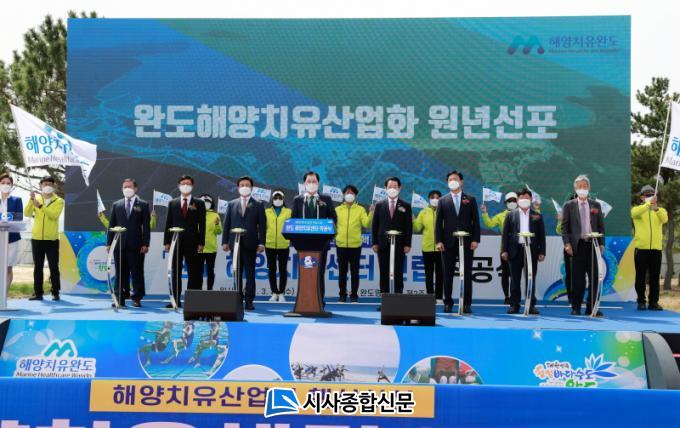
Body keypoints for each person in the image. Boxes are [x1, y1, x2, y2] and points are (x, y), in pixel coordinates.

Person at [435, 171, 480, 314]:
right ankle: (448, 302)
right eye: (450, 179)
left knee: (466, 273)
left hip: (466, 242)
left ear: (461, 182)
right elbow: (438, 223)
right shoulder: (443, 200)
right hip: (447, 242)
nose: (452, 181)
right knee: (447, 273)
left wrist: (475, 239)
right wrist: (438, 241)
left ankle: (466, 303)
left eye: (455, 179)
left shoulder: (470, 199)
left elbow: (475, 221)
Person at [561, 175, 605, 316]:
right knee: (578, 279)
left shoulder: (596, 205)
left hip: (593, 245)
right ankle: (576, 307)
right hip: (577, 246)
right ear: (575, 188)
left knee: (594, 278)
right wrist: (567, 243)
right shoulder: (569, 205)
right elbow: (564, 227)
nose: (582, 189)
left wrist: (601, 243)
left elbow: (601, 226)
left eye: (585, 186)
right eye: (579, 186)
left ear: (589, 188)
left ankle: (591, 307)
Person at [291, 171, 337, 301]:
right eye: (309, 181)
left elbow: (333, 218)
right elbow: (293, 220)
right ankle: (304, 300)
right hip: (303, 245)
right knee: (305, 273)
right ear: (304, 183)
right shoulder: (298, 199)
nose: (311, 184)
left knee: (319, 273)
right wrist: (295, 241)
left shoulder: (326, 199)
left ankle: (319, 301)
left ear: (318, 183)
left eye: (314, 181)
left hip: (321, 244)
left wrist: (328, 235)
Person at [222, 176, 266, 311]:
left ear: (251, 188)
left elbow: (262, 226)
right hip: (234, 244)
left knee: (250, 273)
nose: (245, 187)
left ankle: (249, 300)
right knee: (237, 272)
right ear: (238, 188)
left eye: (247, 185)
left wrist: (262, 243)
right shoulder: (232, 204)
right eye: (242, 185)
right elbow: (227, 224)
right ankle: (238, 299)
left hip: (250, 243)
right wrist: (224, 241)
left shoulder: (258, 204)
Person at [106, 178, 151, 307]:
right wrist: (109, 243)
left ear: (135, 188)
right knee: (120, 272)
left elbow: (146, 226)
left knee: (136, 272)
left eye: (129, 186)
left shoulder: (143, 205)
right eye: (125, 187)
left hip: (136, 245)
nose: (127, 189)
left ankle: (137, 297)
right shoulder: (117, 205)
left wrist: (146, 243)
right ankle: (119, 297)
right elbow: (111, 225)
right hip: (119, 244)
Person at [163, 175, 206, 308]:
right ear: (178, 186)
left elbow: (202, 224)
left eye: (188, 183)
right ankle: (175, 300)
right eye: (183, 183)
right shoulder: (172, 203)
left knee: (194, 272)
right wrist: (166, 242)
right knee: (175, 271)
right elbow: (168, 223)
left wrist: (201, 242)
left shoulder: (199, 203)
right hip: (175, 242)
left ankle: (192, 301)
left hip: (193, 242)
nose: (185, 185)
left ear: (192, 186)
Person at [501, 188, 546, 314]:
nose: (524, 199)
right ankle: (514, 305)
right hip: (515, 251)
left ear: (531, 199)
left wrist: (542, 252)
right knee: (515, 280)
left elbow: (541, 235)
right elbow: (505, 234)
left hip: (531, 251)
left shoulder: (537, 215)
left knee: (530, 278)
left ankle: (530, 305)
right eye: (521, 197)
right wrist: (504, 251)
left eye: (526, 197)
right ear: (517, 200)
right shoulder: (511, 214)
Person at [372, 177, 412, 309]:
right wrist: (374, 242)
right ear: (385, 188)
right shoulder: (379, 205)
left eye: (395, 186)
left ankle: (398, 301)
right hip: (383, 244)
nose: (392, 189)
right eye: (390, 186)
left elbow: (408, 226)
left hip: (399, 245)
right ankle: (384, 301)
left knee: (398, 272)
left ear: (400, 188)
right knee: (384, 272)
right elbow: (375, 225)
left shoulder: (405, 206)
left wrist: (408, 244)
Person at [25, 176, 64, 301]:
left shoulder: (59, 201)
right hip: (37, 238)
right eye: (44, 184)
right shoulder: (36, 199)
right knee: (38, 267)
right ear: (40, 185)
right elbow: (26, 213)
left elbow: (54, 216)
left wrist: (41, 206)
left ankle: (55, 292)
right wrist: (31, 200)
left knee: (53, 266)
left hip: (51, 239)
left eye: (49, 184)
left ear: (54, 186)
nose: (47, 186)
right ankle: (38, 293)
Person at [631, 185, 668, 311]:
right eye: (647, 195)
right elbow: (634, 214)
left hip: (656, 249)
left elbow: (665, 219)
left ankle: (653, 302)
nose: (650, 197)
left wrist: (655, 208)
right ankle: (641, 301)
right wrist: (648, 205)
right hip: (641, 248)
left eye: (652, 195)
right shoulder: (637, 210)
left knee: (655, 277)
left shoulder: (660, 210)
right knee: (640, 276)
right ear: (642, 197)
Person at [335, 185, 373, 303]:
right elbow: (332, 225)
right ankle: (342, 295)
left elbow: (366, 224)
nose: (349, 195)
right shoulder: (337, 210)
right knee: (342, 272)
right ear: (343, 195)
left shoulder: (360, 209)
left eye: (352, 193)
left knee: (355, 272)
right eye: (347, 192)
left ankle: (354, 296)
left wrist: (371, 213)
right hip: (341, 245)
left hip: (355, 245)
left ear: (355, 195)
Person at [480, 191, 517, 304]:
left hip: (518, 249)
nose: (512, 203)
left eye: (514, 200)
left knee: (516, 275)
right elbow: (490, 224)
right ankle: (507, 296)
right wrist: (485, 213)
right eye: (509, 201)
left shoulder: (522, 215)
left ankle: (515, 297)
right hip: (505, 249)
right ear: (505, 203)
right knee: (506, 274)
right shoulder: (501, 216)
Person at [413, 190, 443, 301]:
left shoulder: (444, 211)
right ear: (429, 199)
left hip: (441, 248)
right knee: (428, 274)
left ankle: (439, 297)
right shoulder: (423, 212)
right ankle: (430, 296)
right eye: (432, 197)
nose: (435, 199)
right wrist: (413, 220)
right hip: (427, 248)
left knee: (440, 274)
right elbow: (417, 228)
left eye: (437, 197)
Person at [265, 190, 292, 302]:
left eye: (280, 198)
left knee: (282, 270)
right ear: (272, 200)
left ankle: (281, 293)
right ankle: (274, 292)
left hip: (283, 244)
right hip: (269, 244)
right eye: (275, 198)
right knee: (271, 269)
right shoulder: (266, 212)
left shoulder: (288, 212)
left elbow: (291, 227)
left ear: (283, 199)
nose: (277, 200)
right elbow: (263, 228)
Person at [0, 173, 23, 295]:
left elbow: (19, 218)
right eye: (3, 183)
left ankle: (4, 296)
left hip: (12, 238)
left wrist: (7, 218)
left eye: (8, 183)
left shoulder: (17, 200)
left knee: (8, 267)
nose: (5, 185)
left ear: (12, 185)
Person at [198, 194, 222, 291]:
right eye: (203, 202)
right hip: (199, 248)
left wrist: (217, 224)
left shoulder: (215, 215)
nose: (206, 204)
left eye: (208, 202)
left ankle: (209, 290)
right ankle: (198, 291)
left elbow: (219, 232)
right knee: (198, 271)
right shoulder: (196, 214)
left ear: (211, 203)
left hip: (211, 248)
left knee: (210, 271)